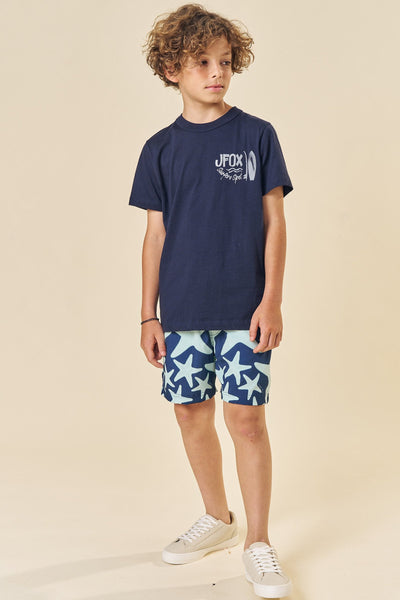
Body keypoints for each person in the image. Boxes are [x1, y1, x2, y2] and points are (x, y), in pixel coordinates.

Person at [128, 4, 294, 598]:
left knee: (246, 420)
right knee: (190, 412)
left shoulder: (256, 135)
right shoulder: (159, 149)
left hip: (246, 311)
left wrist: (271, 300)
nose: (217, 72)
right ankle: (218, 518)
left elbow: (275, 224)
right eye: (202, 62)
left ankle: (258, 542)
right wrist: (148, 314)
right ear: (172, 69)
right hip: (183, 313)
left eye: (224, 61)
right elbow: (154, 237)